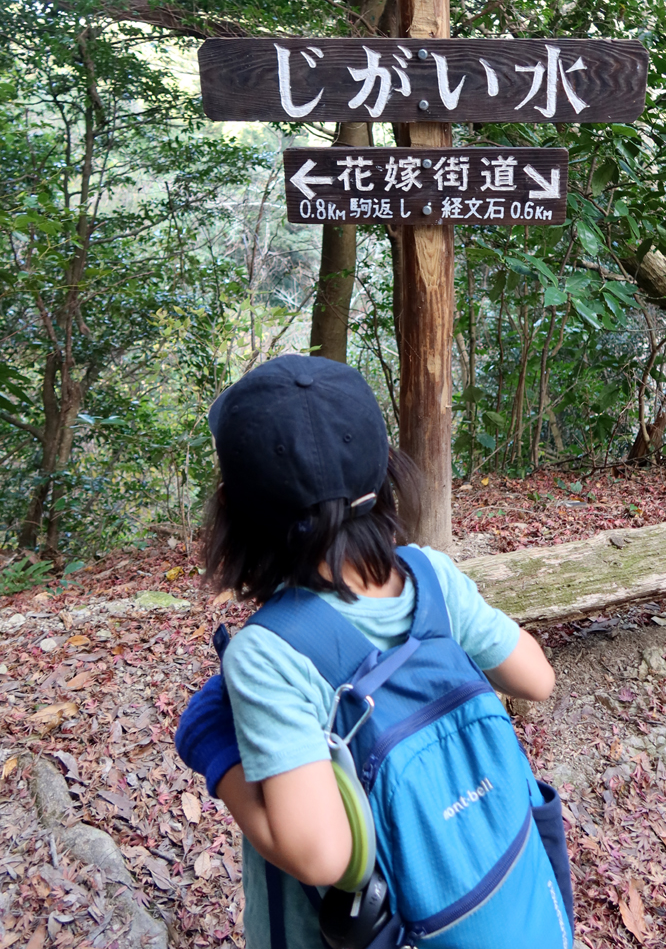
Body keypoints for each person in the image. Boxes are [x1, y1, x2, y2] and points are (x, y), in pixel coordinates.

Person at [175, 354, 558, 949]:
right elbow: (536, 678)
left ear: (234, 514)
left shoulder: (269, 654)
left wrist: (216, 753)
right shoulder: (431, 576)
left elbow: (323, 856)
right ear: (385, 476)